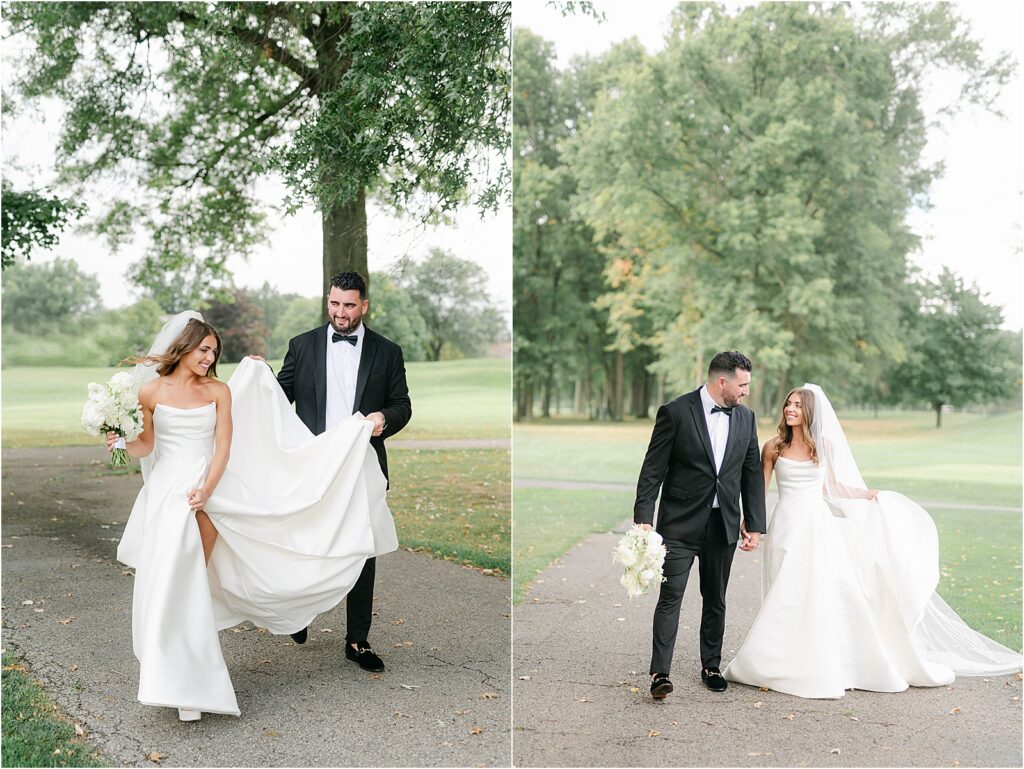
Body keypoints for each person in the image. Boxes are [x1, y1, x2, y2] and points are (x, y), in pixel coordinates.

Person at [109, 313, 397, 721]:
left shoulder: (220, 392)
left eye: (214, 351)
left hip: (204, 493)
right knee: (161, 582)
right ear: (184, 347)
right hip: (163, 493)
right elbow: (147, 446)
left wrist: (206, 489)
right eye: (204, 349)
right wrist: (120, 440)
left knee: (189, 581)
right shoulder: (151, 392)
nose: (210, 357)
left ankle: (192, 685)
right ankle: (165, 672)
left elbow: (224, 446)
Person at [723, 384, 1022, 698]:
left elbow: (836, 488)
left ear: (809, 411)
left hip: (816, 526)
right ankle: (780, 656)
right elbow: (759, 489)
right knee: (782, 588)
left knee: (815, 590)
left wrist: (869, 495)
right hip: (785, 523)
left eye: (797, 404)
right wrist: (751, 522)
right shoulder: (773, 446)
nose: (790, 409)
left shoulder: (823, 447)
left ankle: (819, 659)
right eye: (788, 403)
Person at [274, 271, 412, 672]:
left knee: (362, 549)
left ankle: (357, 640)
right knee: (305, 543)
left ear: (364, 306)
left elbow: (402, 404)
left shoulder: (388, 352)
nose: (340, 312)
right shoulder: (302, 346)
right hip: (311, 464)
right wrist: (256, 380)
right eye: (334, 303)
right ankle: (299, 614)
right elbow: (279, 399)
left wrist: (382, 418)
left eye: (349, 305)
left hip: (361, 464)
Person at [632, 351, 767, 700]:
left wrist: (754, 522)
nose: (746, 391)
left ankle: (711, 666)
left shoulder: (746, 419)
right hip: (678, 524)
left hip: (722, 525)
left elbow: (751, 473)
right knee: (670, 597)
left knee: (716, 598)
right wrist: (644, 519)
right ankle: (660, 673)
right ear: (722, 381)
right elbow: (652, 469)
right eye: (743, 384)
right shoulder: (676, 412)